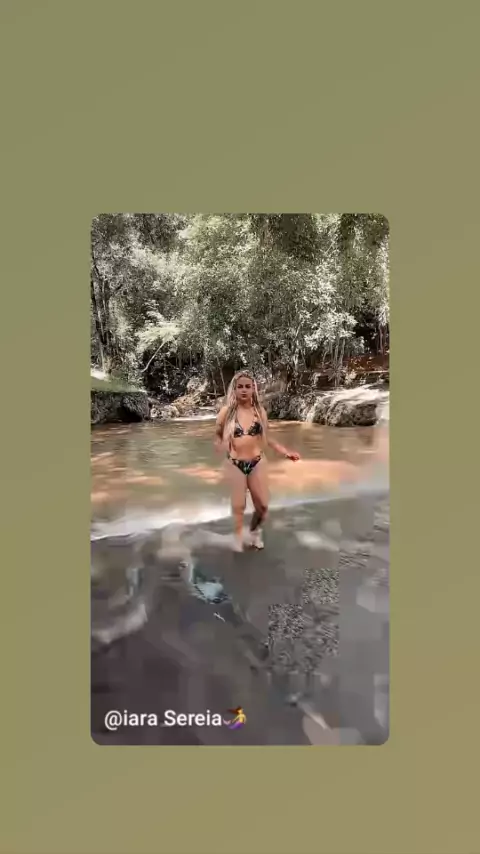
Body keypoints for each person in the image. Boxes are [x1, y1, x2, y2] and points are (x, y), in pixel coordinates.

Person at [215, 370, 300, 552]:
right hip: (235, 463)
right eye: (240, 387)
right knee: (238, 506)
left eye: (248, 386)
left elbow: (267, 439)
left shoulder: (259, 412)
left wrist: (285, 452)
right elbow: (218, 435)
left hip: (257, 462)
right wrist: (219, 445)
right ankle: (238, 537)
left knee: (262, 507)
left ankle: (254, 532)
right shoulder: (226, 412)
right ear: (234, 390)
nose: (244, 390)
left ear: (253, 389)